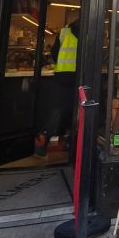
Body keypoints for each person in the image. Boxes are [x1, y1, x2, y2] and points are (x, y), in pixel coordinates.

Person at [37, 14, 79, 157]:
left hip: (62, 75)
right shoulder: (87, 31)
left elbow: (54, 53)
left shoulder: (65, 31)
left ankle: (44, 137)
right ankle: (70, 140)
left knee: (59, 108)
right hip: (78, 75)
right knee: (76, 109)